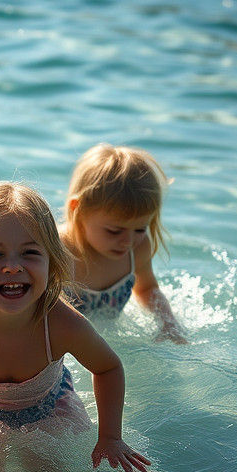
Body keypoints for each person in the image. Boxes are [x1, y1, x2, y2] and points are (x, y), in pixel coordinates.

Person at [0, 181, 150, 472]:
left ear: (52, 263)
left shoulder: (61, 323)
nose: (13, 267)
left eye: (29, 253)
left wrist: (110, 437)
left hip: (47, 405)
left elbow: (108, 368)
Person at [61, 143, 187, 343]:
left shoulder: (138, 248)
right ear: (78, 209)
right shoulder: (58, 250)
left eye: (140, 229)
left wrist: (168, 322)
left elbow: (146, 289)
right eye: (114, 231)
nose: (128, 241)